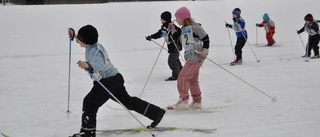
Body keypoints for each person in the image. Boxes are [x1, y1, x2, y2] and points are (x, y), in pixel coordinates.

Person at [68, 25, 166, 137]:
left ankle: (87, 132)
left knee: (90, 103)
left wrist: (87, 65)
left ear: (85, 41)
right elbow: (84, 40)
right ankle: (156, 113)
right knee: (127, 101)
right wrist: (74, 35)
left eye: (79, 39)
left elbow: (99, 65)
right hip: (115, 78)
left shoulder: (95, 52)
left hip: (106, 82)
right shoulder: (93, 46)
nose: (78, 41)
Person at [167, 6, 210, 110]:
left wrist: (205, 50)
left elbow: (206, 38)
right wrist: (172, 30)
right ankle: (197, 101)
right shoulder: (184, 29)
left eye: (177, 18)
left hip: (196, 56)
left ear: (183, 18)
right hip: (191, 57)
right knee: (192, 79)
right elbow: (181, 40)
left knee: (182, 77)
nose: (176, 20)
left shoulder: (195, 27)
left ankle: (183, 100)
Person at [146, 11, 183, 81]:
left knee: (171, 61)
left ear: (165, 19)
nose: (160, 20)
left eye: (161, 19)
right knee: (175, 60)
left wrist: (173, 30)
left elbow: (179, 32)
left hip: (176, 46)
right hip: (171, 47)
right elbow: (159, 34)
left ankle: (176, 75)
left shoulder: (172, 26)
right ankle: (182, 71)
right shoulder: (164, 27)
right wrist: (151, 37)